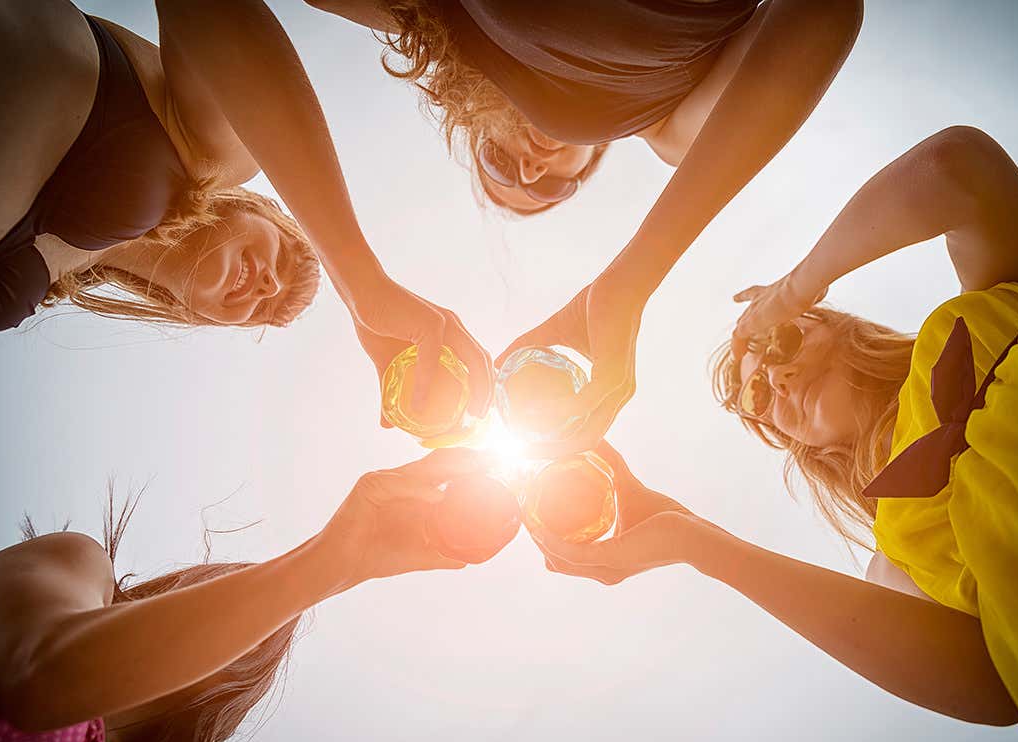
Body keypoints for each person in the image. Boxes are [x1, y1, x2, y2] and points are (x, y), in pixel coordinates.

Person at [529, 127, 1018, 742]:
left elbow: (957, 168)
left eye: (777, 341)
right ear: (793, 440)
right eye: (756, 395)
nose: (772, 377)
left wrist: (798, 284)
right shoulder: (896, 556)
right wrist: (690, 540)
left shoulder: (994, 294)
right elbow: (990, 690)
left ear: (832, 321)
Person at [314, 0, 864, 452]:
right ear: (592, 161)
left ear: (470, 115)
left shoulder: (450, 26)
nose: (531, 168)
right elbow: (824, 15)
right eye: (547, 186)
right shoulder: (670, 124)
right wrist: (632, 279)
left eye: (498, 161)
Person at [0, 0, 492, 421]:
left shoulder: (50, 287)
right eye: (284, 257)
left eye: (260, 313)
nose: (268, 289)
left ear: (198, 314)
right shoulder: (208, 151)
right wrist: (361, 283)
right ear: (249, 210)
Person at [0, 448, 488, 742]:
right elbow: (41, 678)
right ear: (176, 588)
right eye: (237, 599)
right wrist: (326, 565)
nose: (256, 620)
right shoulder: (76, 565)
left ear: (235, 691)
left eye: (258, 628)